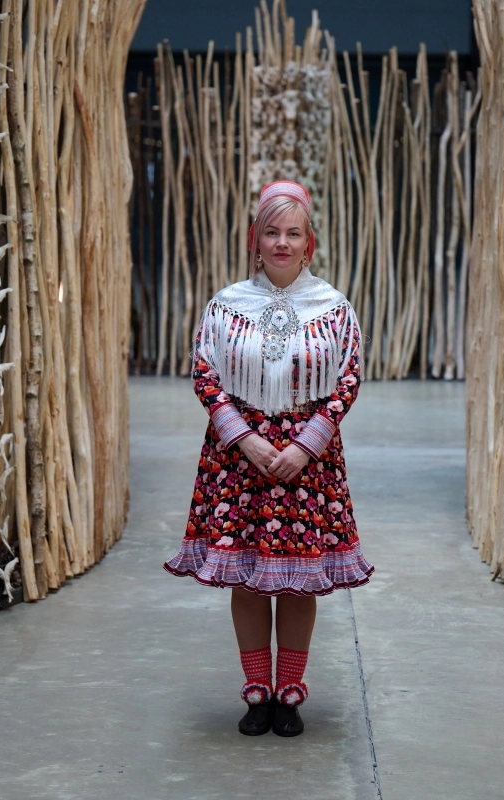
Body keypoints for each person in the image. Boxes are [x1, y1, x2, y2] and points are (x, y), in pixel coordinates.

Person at [164, 180, 374, 737]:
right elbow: (205, 374)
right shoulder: (226, 305)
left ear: (309, 243)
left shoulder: (333, 307)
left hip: (309, 458)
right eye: (272, 232)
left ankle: (290, 692)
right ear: (255, 239)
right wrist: (246, 439)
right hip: (240, 458)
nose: (282, 242)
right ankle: (257, 689)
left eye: (293, 233)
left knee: (300, 577)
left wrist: (307, 444)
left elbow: (348, 378)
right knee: (249, 576)